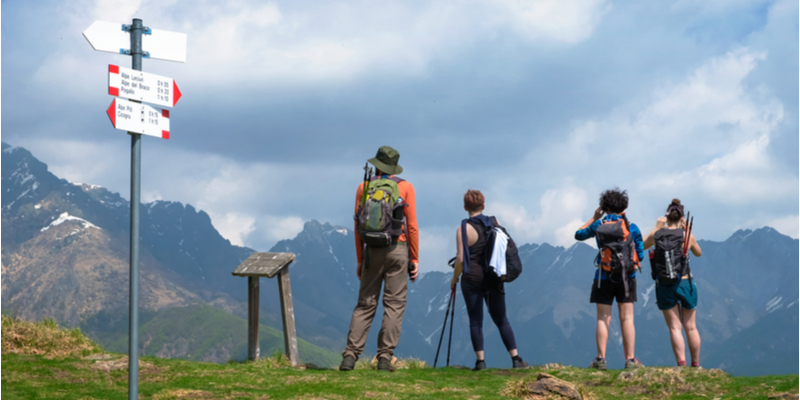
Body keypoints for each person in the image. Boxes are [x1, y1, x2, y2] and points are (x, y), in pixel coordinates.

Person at [340, 146, 419, 372]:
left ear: (376, 165)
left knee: (365, 304)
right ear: (394, 167)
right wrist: (415, 258)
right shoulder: (405, 187)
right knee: (394, 304)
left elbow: (358, 226)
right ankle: (385, 357)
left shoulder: (362, 187)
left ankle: (350, 356)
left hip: (371, 251)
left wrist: (359, 258)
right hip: (397, 248)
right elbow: (411, 226)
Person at [450, 189, 528, 371]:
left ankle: (480, 362)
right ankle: (516, 359)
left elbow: (461, 259)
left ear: (464, 207)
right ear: (483, 206)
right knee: (501, 319)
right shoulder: (495, 222)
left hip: (472, 278)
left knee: (475, 320)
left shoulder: (463, 229)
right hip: (494, 276)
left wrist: (454, 278)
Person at [574, 188, 644, 370]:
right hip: (627, 277)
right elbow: (641, 255)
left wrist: (594, 217)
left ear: (604, 207)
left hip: (603, 277)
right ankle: (630, 360)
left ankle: (601, 360)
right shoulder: (631, 227)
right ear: (624, 207)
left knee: (603, 318)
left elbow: (578, 234)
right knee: (627, 318)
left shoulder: (598, 226)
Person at [642, 199, 702, 367]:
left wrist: (657, 227)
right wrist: (687, 230)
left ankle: (681, 364)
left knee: (675, 328)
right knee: (691, 327)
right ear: (682, 218)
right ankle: (695, 364)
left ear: (666, 218)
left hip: (664, 284)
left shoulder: (657, 235)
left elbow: (642, 244)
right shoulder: (686, 236)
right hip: (685, 283)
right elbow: (698, 253)